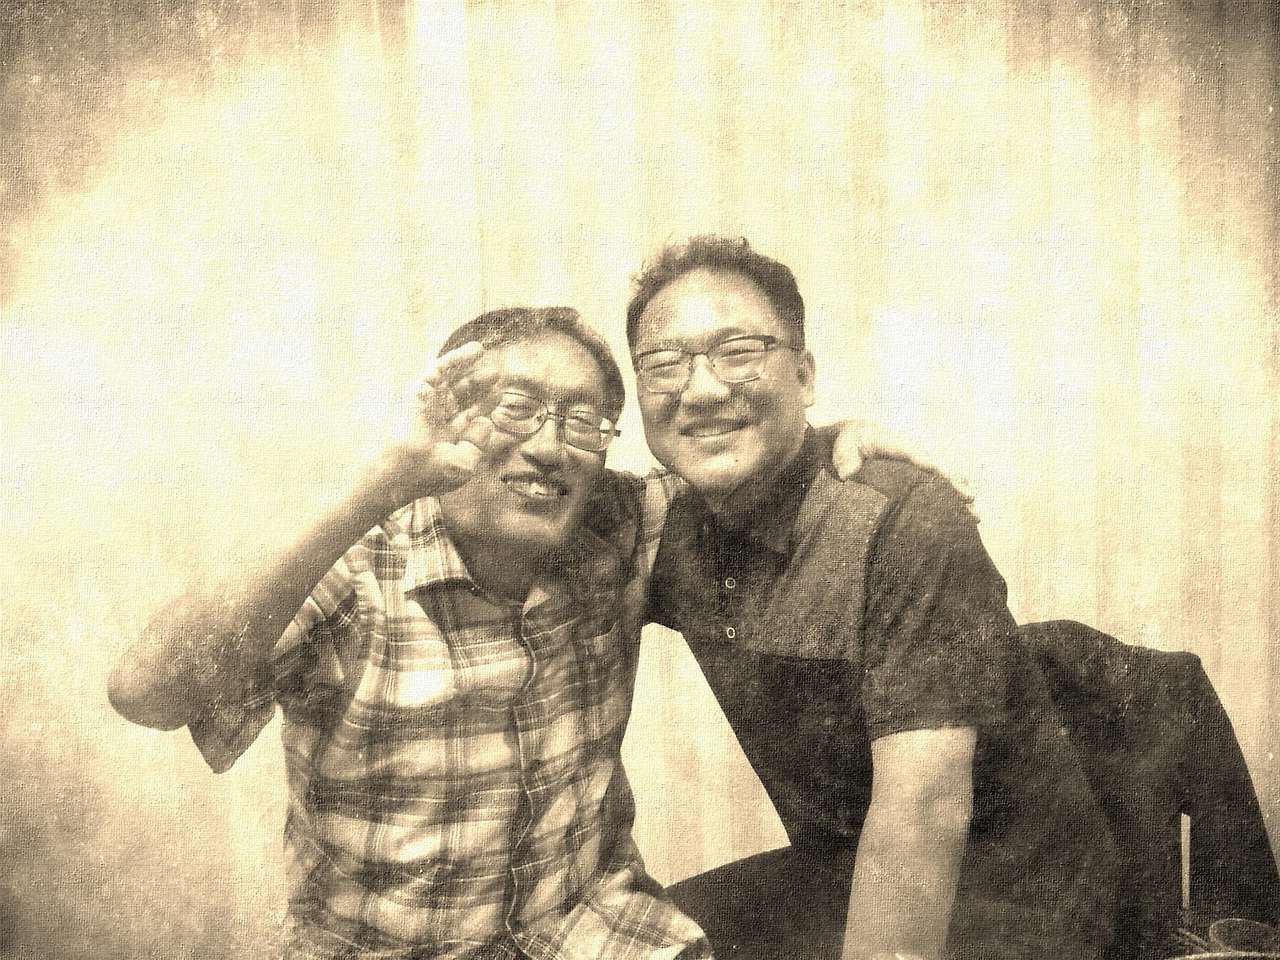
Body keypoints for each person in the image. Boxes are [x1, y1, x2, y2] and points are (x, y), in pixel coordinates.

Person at [106, 305, 914, 960]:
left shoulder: (616, 524)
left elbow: (740, 462)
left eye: (585, 421)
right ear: (444, 420)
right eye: (515, 408)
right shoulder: (356, 564)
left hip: (600, 935)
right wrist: (374, 487)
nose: (549, 446)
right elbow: (146, 695)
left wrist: (835, 440)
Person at [622, 236, 1120, 960]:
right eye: (664, 364)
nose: (700, 390)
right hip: (839, 873)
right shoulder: (664, 526)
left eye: (738, 352)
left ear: (804, 375)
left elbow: (925, 814)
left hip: (1022, 904)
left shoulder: (902, 518)